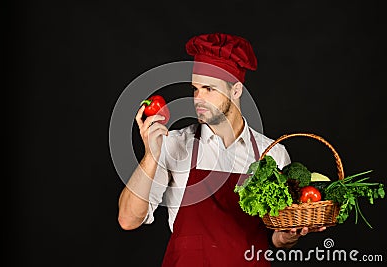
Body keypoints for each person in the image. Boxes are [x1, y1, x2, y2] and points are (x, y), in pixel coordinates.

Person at [118, 33, 326, 266]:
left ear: (236, 90)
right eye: (195, 89)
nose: (198, 98)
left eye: (209, 89)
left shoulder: (273, 153)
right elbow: (128, 219)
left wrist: (288, 236)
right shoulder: (175, 144)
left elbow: (276, 238)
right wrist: (151, 154)